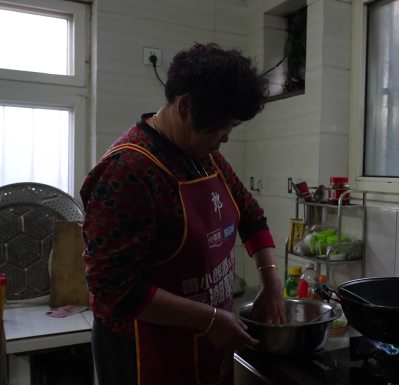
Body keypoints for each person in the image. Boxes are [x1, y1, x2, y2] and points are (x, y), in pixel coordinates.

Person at [80, 42, 286, 385]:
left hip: (202, 339)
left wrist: (271, 281)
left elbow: (250, 214)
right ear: (186, 106)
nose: (226, 138)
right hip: (143, 353)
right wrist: (209, 320)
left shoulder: (204, 156)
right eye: (223, 127)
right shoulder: (127, 171)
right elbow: (113, 288)